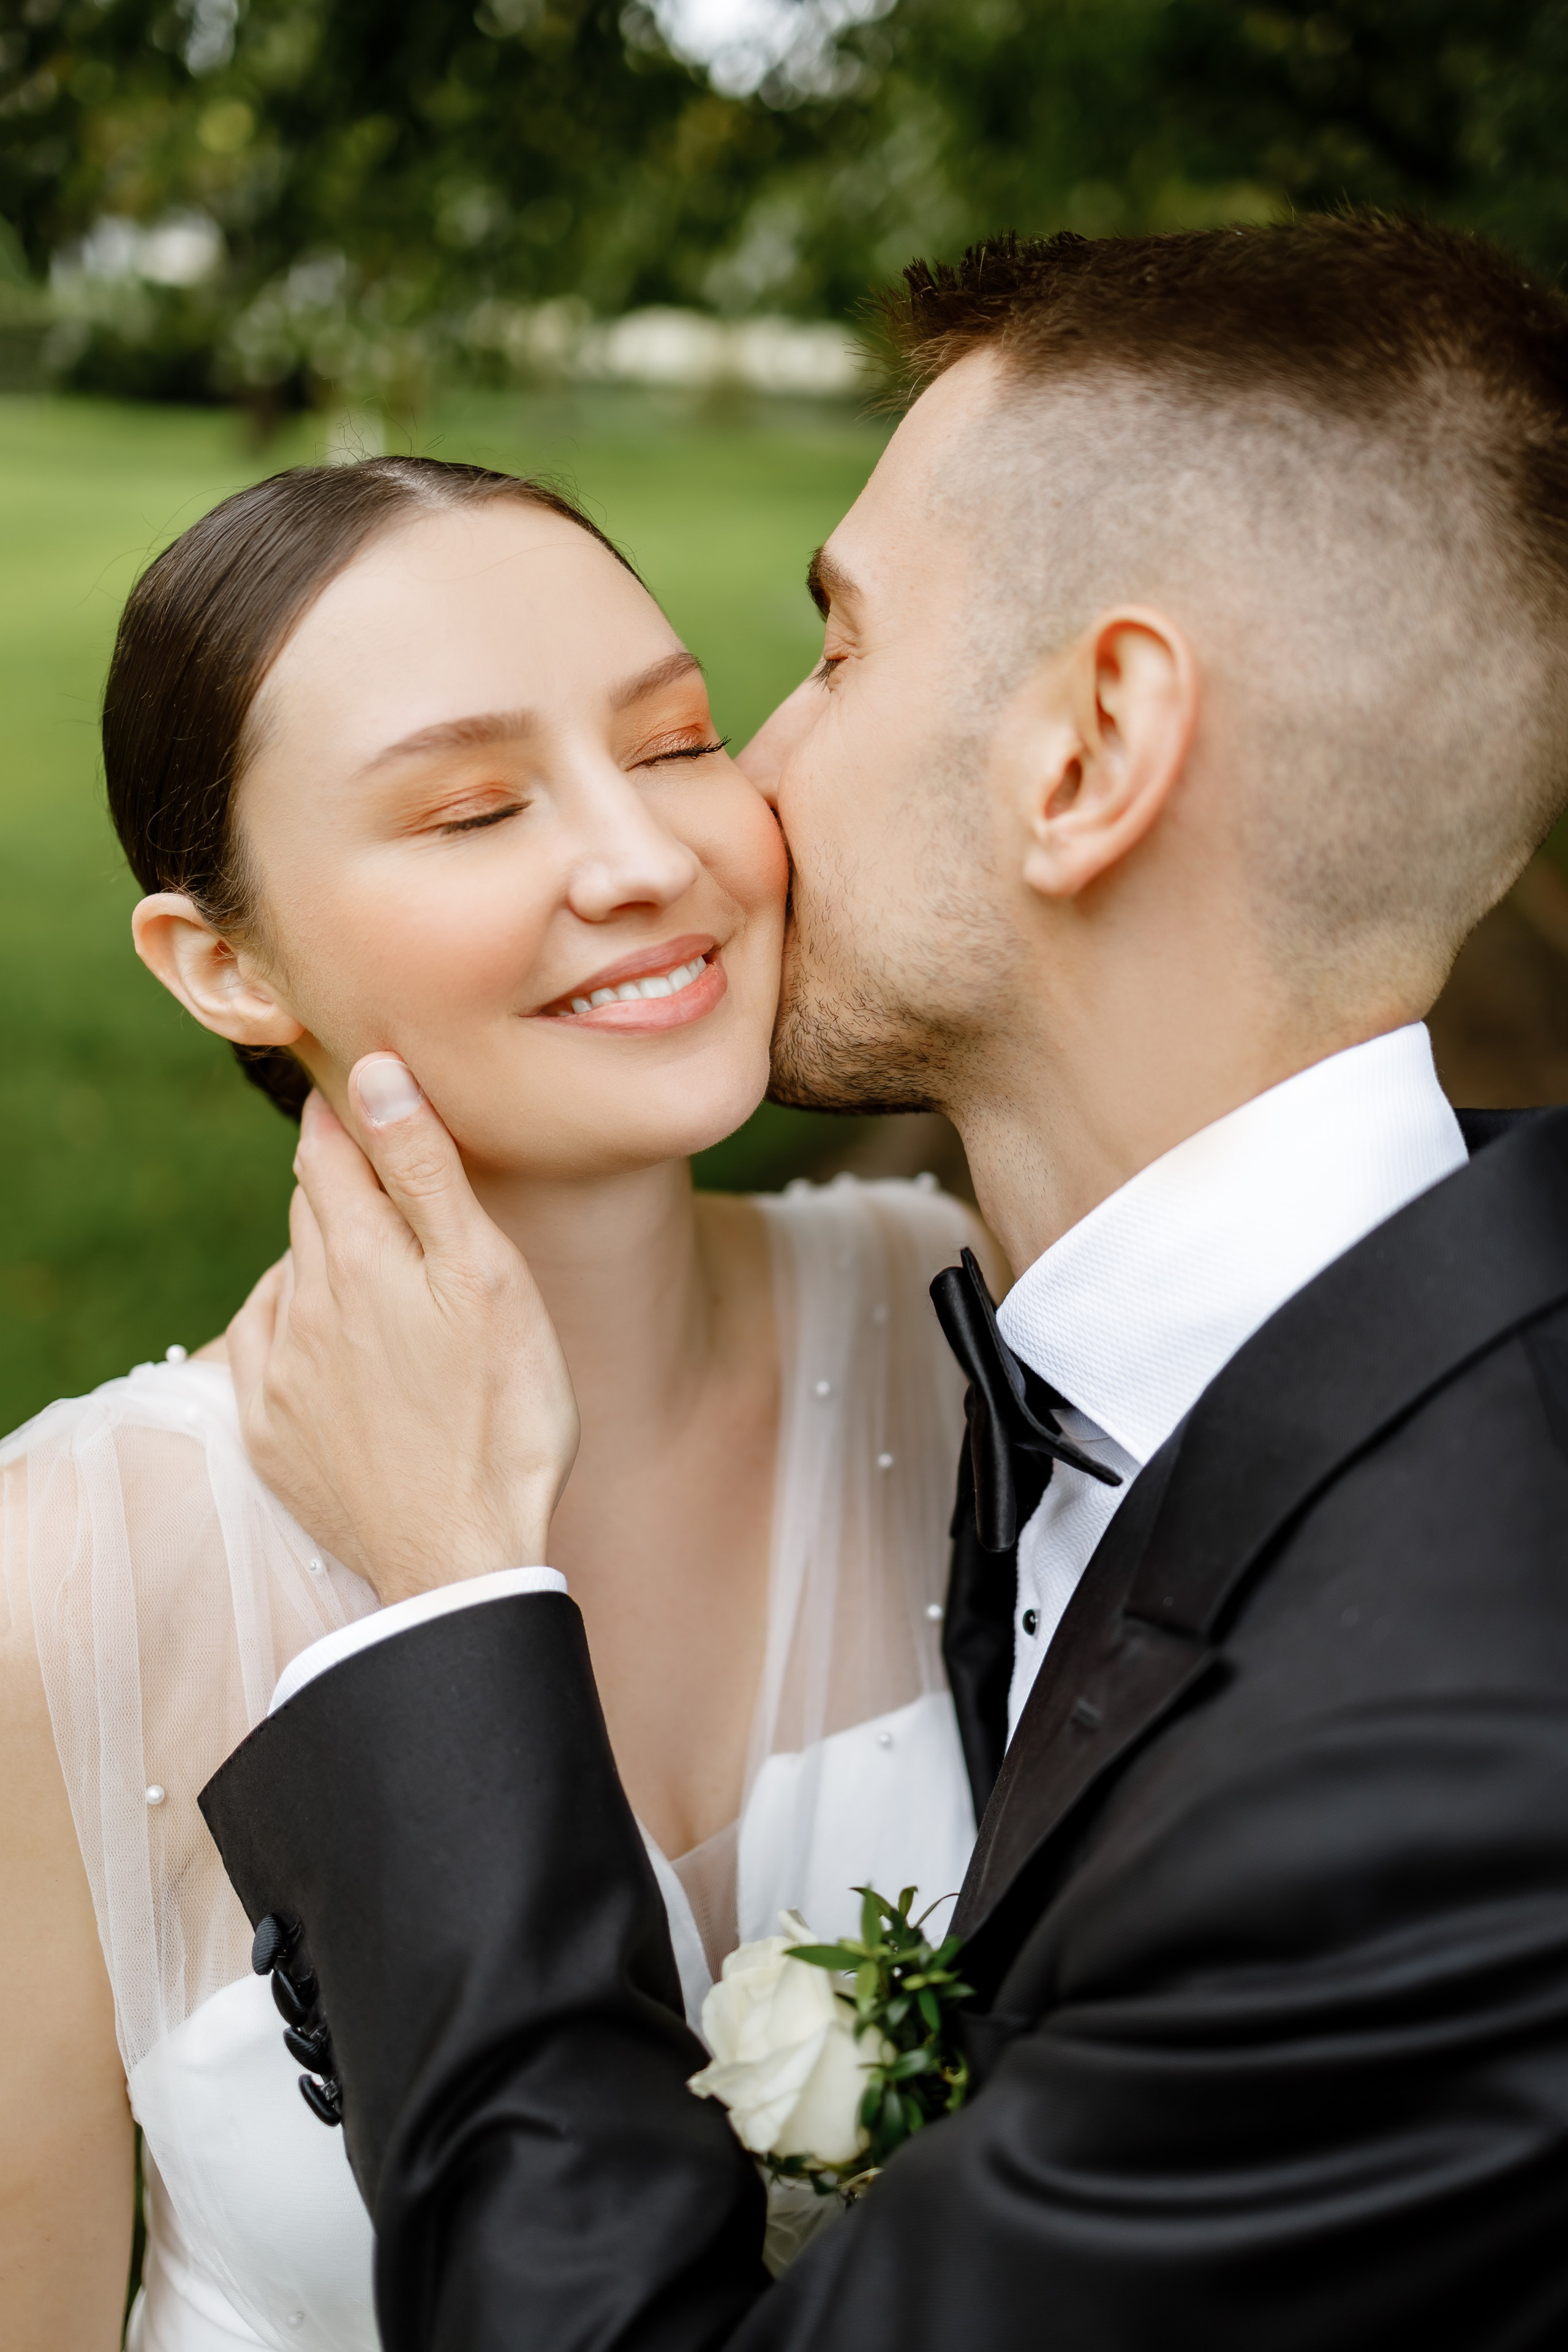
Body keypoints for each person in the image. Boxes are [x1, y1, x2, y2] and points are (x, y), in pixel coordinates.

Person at [203, 216, 1568, 2350]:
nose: (741, 783)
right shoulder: (1277, 1361)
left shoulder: (1442, 1779)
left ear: (1092, 751)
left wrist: (447, 1607)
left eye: (835, 652)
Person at [0, 458, 992, 2350]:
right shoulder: (56, 1598)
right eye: (472, 809)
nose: (639, 860)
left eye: (681, 740)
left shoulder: (968, 1318)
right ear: (222, 963)